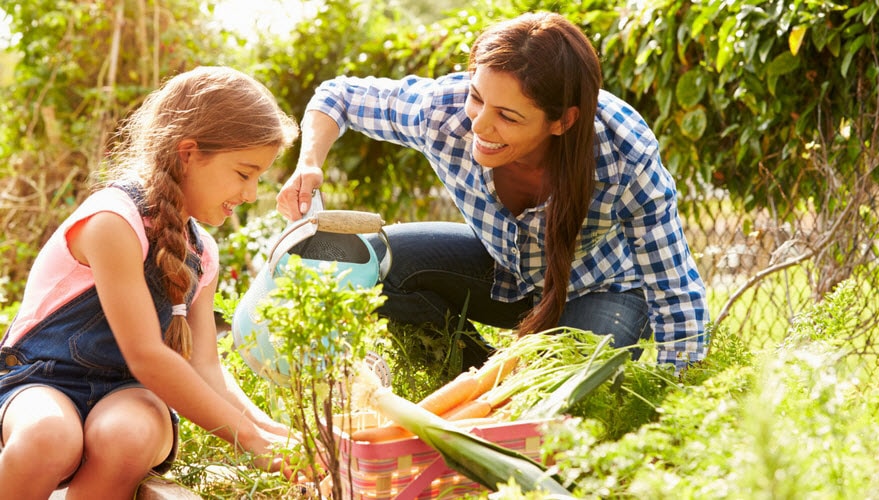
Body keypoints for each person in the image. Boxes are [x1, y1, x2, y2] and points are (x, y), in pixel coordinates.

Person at [277, 12, 708, 374]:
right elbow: (337, 97)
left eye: (507, 115)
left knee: (565, 396)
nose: (480, 126)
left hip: (601, 287)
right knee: (369, 262)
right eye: (477, 97)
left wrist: (678, 399)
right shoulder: (441, 113)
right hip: (505, 272)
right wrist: (309, 161)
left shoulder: (623, 154)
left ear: (562, 121)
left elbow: (674, 290)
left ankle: (526, 391)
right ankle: (473, 382)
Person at [0, 66, 301, 498]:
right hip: (42, 380)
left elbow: (203, 367)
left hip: (131, 393)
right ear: (189, 152)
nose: (252, 193)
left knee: (126, 437)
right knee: (48, 437)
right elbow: (147, 355)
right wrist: (251, 441)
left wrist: (271, 430)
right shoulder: (113, 220)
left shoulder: (202, 253)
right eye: (243, 173)